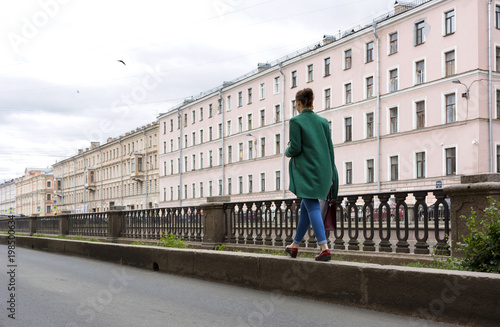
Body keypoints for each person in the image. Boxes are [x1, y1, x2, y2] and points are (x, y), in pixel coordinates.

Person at [284, 88, 338, 261]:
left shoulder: (295, 121)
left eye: (296, 104)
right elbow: (330, 150)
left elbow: (296, 148)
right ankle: (295, 246)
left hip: (306, 171)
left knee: (312, 206)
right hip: (324, 171)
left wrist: (287, 149)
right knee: (306, 209)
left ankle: (324, 248)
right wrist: (332, 175)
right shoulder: (323, 122)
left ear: (298, 103)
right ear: (312, 102)